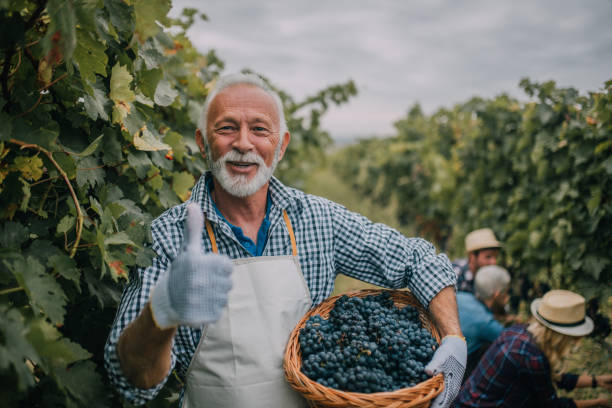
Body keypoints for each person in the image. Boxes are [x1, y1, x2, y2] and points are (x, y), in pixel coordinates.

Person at [104, 73, 466, 408]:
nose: (244, 144)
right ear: (202, 143)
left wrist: (453, 339)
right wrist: (161, 314)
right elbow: (132, 382)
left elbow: (420, 260)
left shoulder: (318, 219)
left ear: (281, 145)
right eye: (227, 128)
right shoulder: (170, 236)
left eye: (260, 129)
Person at [455, 289, 612, 407]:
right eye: (574, 337)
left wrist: (597, 381)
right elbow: (551, 405)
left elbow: (550, 377)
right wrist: (599, 402)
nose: (577, 341)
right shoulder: (531, 356)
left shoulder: (519, 332)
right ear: (562, 336)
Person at [457, 265, 510, 378]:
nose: (508, 298)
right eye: (506, 293)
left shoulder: (461, 295)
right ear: (497, 295)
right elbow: (510, 341)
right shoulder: (486, 323)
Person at [453, 228, 502, 293]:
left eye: (495, 257)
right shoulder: (455, 274)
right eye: (488, 257)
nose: (493, 262)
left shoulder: (491, 276)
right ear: (472, 256)